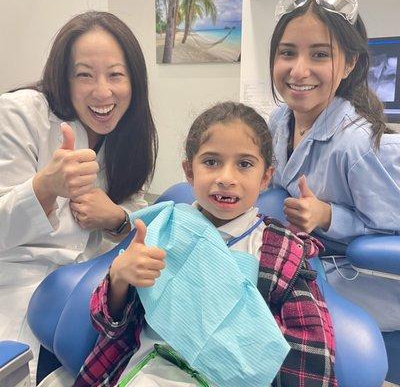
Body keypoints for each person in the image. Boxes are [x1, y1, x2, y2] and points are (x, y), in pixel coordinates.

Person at [73, 102, 337, 387]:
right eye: (211, 162)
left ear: (265, 178)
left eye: (244, 164)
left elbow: (311, 350)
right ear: (189, 171)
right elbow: (106, 323)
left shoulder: (282, 254)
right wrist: (119, 278)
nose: (226, 178)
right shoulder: (163, 229)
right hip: (147, 371)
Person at [0, 10, 158, 382]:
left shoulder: (128, 133)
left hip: (87, 289)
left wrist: (115, 216)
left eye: (116, 75)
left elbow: (135, 214)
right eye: (84, 74)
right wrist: (43, 189)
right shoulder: (20, 115)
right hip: (18, 288)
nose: (102, 92)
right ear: (63, 79)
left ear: (133, 81)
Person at [267, 0, 400, 331]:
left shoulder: (358, 144)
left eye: (320, 54)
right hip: (303, 253)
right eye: (287, 52)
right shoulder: (280, 120)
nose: (299, 70)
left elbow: (390, 229)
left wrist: (328, 215)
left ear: (350, 62)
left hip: (354, 274)